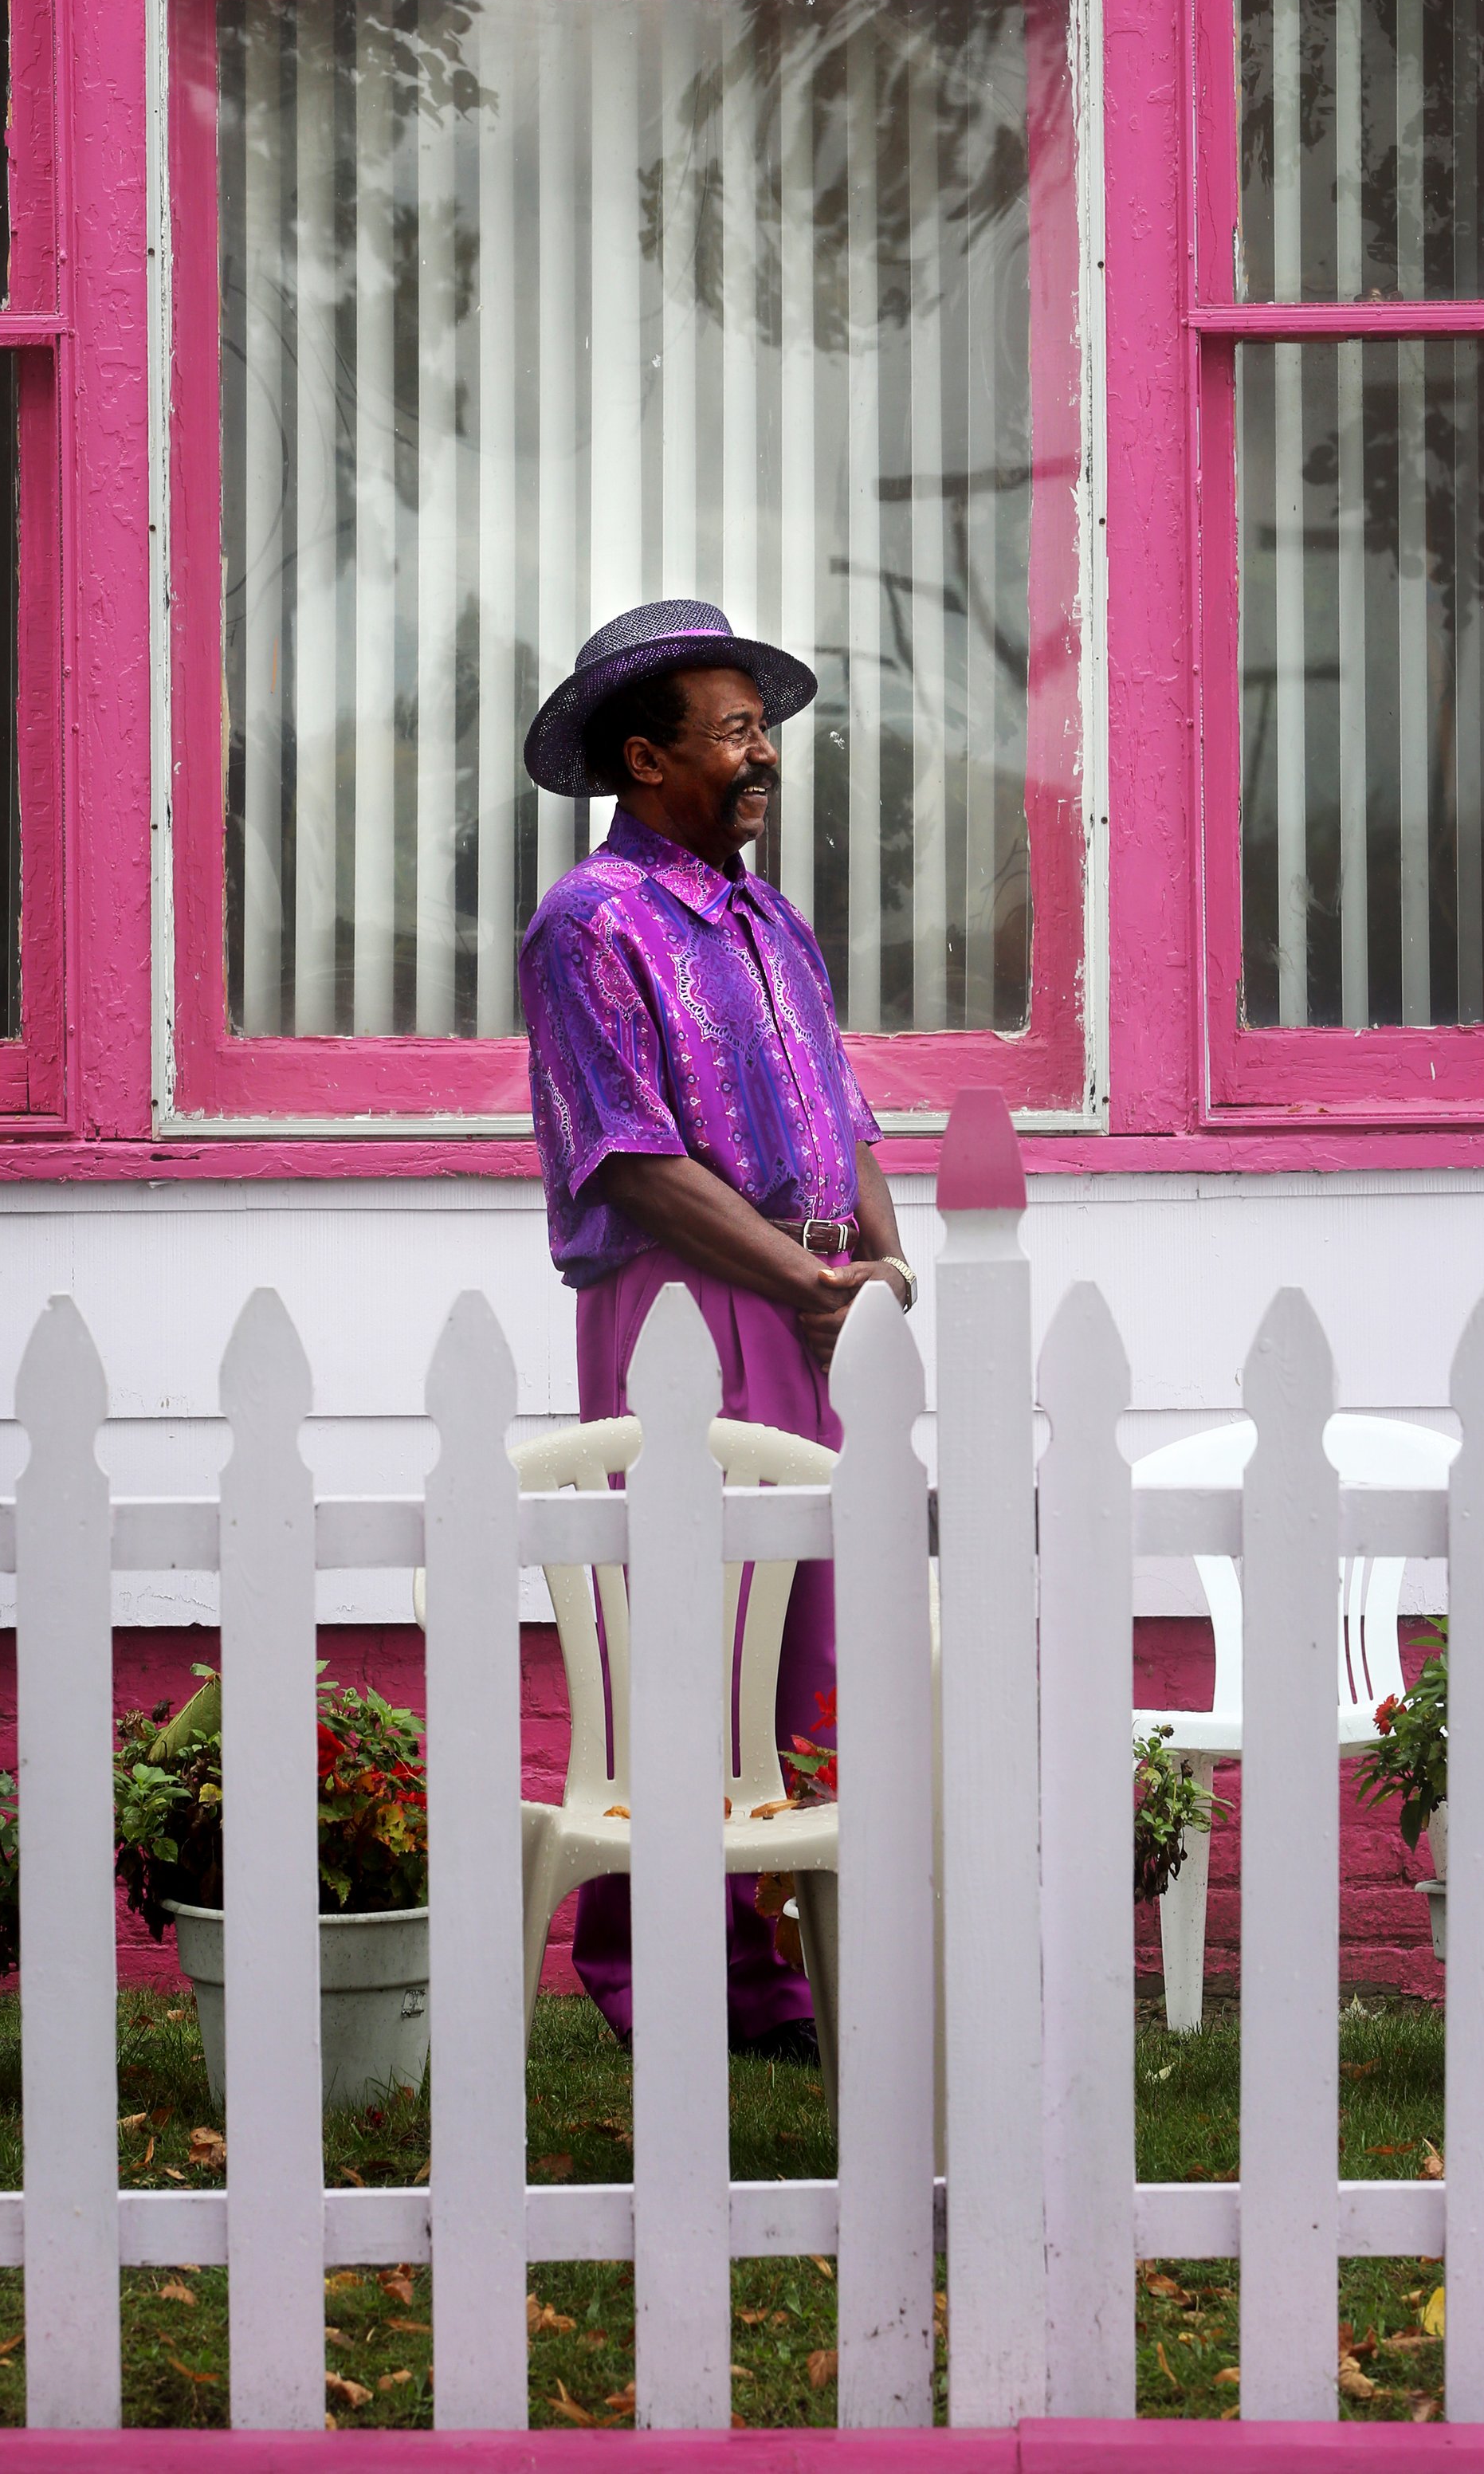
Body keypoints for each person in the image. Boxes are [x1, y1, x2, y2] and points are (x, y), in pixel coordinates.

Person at [518, 599, 916, 2059]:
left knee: (816, 1635)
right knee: (695, 1633)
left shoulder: (769, 918)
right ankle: (661, 1973)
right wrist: (805, 1285)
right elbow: (627, 1156)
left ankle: (795, 1966)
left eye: (766, 727)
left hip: (818, 1304)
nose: (764, 756)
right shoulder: (590, 924)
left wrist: (881, 1260)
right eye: (736, 730)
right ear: (646, 756)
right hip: (687, 1302)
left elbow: (842, 1106)